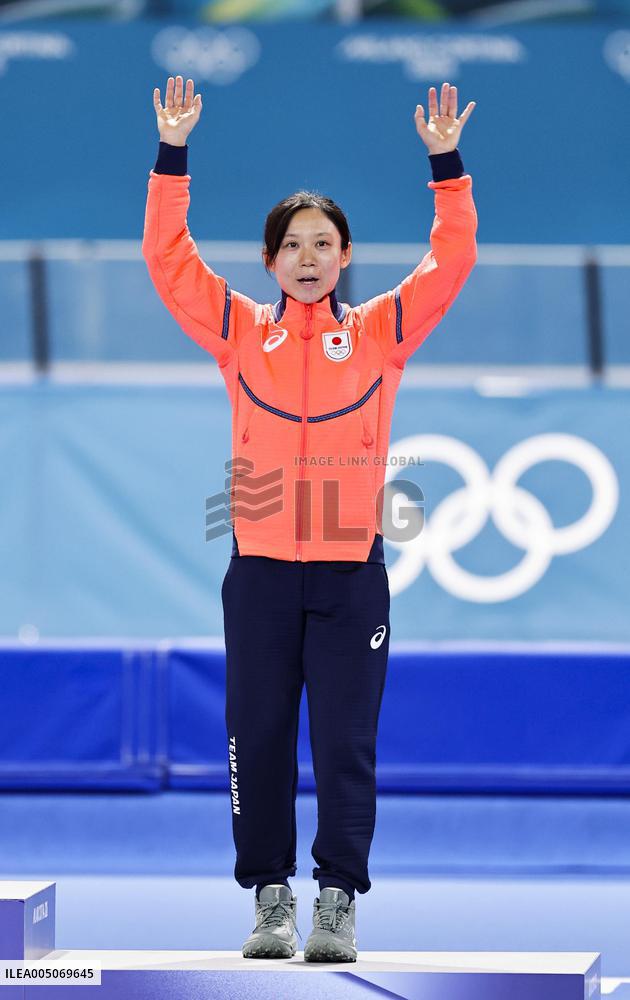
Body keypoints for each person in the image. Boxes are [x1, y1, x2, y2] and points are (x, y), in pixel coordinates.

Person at [142, 74, 477, 963]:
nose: (307, 257)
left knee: (344, 743)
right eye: (292, 245)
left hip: (349, 575)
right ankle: (270, 899)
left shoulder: (379, 334)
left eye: (323, 243)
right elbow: (168, 260)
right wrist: (172, 154)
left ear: (345, 256)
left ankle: (337, 900)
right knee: (256, 738)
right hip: (257, 573)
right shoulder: (238, 331)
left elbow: (451, 261)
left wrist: (447, 166)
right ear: (269, 260)